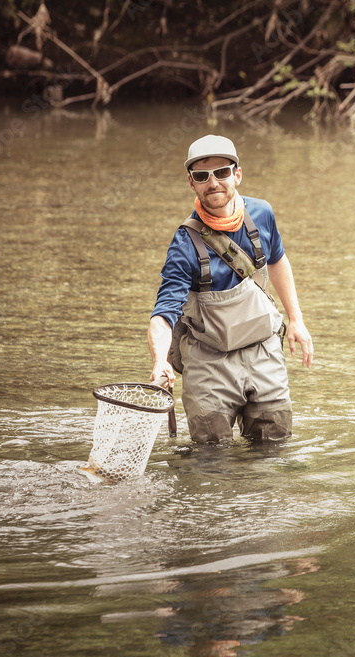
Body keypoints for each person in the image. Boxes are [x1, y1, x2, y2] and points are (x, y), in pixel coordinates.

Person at [148, 134, 313, 444]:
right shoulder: (183, 246)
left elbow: (277, 261)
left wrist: (296, 319)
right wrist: (160, 360)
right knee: (211, 459)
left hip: (263, 348)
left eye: (222, 172)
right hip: (208, 358)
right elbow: (162, 316)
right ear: (192, 183)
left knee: (273, 448)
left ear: (237, 174)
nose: (213, 182)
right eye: (202, 175)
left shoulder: (262, 213)